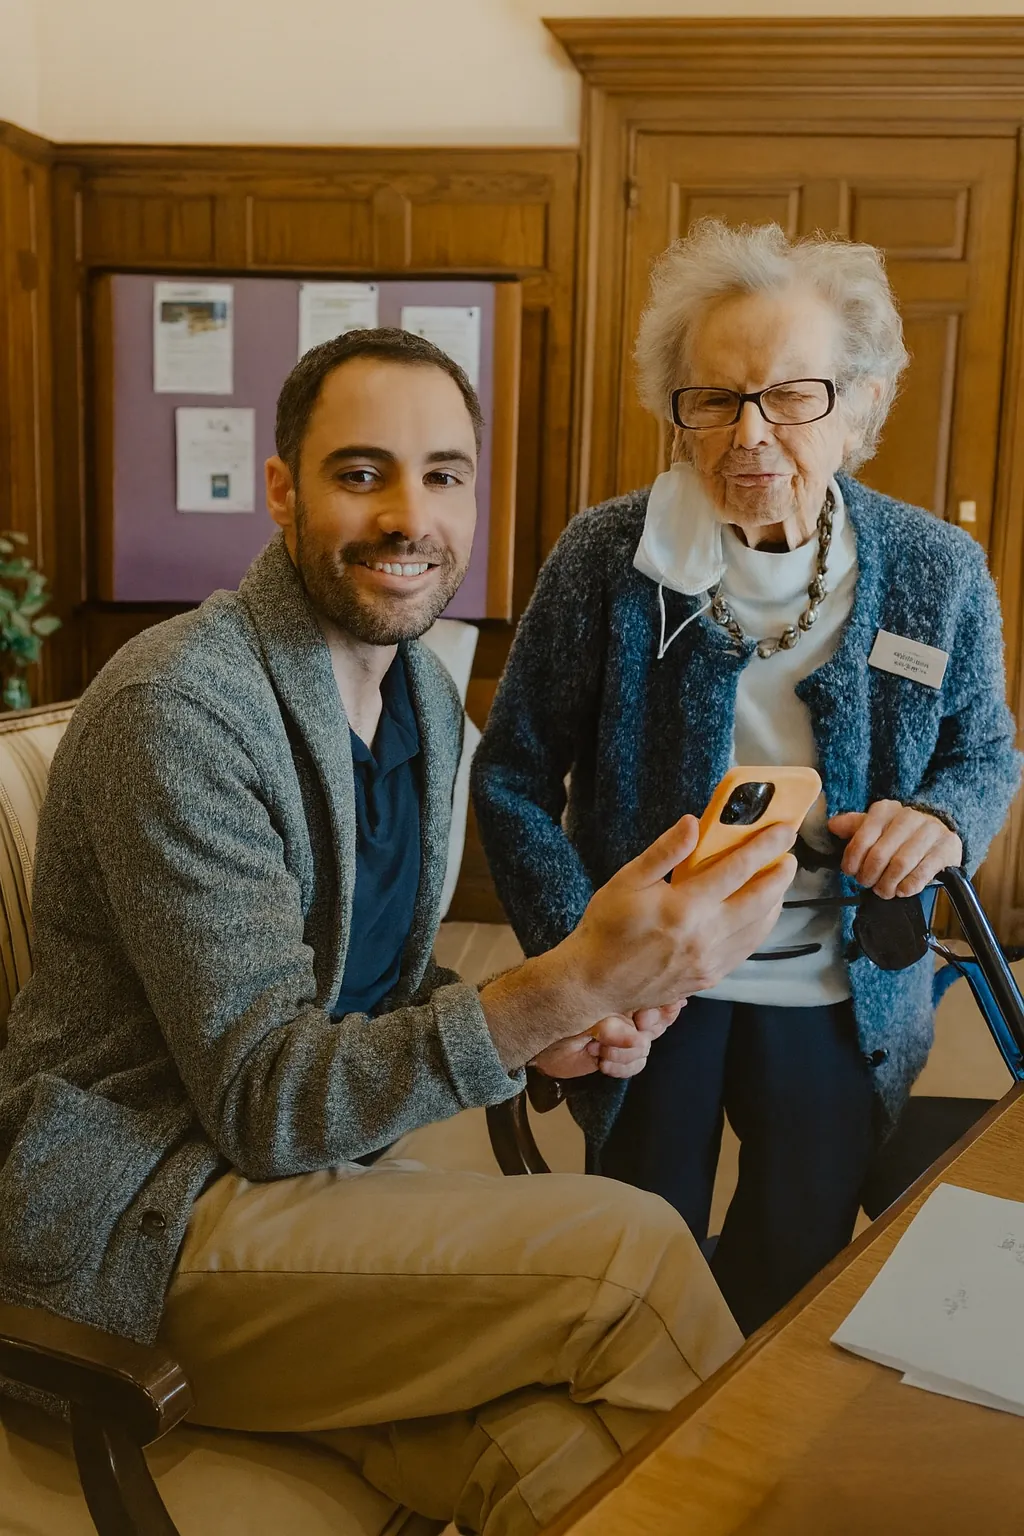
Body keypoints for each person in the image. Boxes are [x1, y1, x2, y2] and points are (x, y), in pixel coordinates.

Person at [0, 328, 798, 1535]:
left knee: (563, 1461)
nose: (408, 516)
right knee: (628, 1254)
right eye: (360, 473)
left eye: (444, 474)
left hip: (312, 1190)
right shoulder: (184, 711)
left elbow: (369, 977)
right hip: (143, 1229)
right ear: (282, 491)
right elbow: (266, 1101)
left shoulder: (417, 686)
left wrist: (550, 1030)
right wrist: (571, 980)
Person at [472, 220, 1022, 1338]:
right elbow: (515, 772)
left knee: (798, 1253)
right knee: (633, 1259)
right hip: (650, 986)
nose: (750, 434)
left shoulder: (934, 570)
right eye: (713, 399)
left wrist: (939, 823)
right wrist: (586, 953)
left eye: (792, 396)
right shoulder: (604, 558)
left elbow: (985, 752)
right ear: (674, 408)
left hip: (838, 987)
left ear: (860, 404)